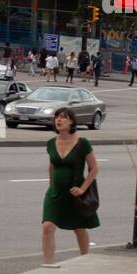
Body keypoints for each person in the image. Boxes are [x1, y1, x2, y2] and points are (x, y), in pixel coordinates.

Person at [41, 107, 99, 265]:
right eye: (57, 117)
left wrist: (82, 189)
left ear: (71, 122)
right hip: (55, 193)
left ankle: (85, 258)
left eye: (63, 117)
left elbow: (94, 168)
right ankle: (47, 265)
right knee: (47, 226)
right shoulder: (51, 143)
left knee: (79, 228)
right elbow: (52, 165)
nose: (58, 120)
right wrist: (51, 185)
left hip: (75, 194)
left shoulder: (82, 143)